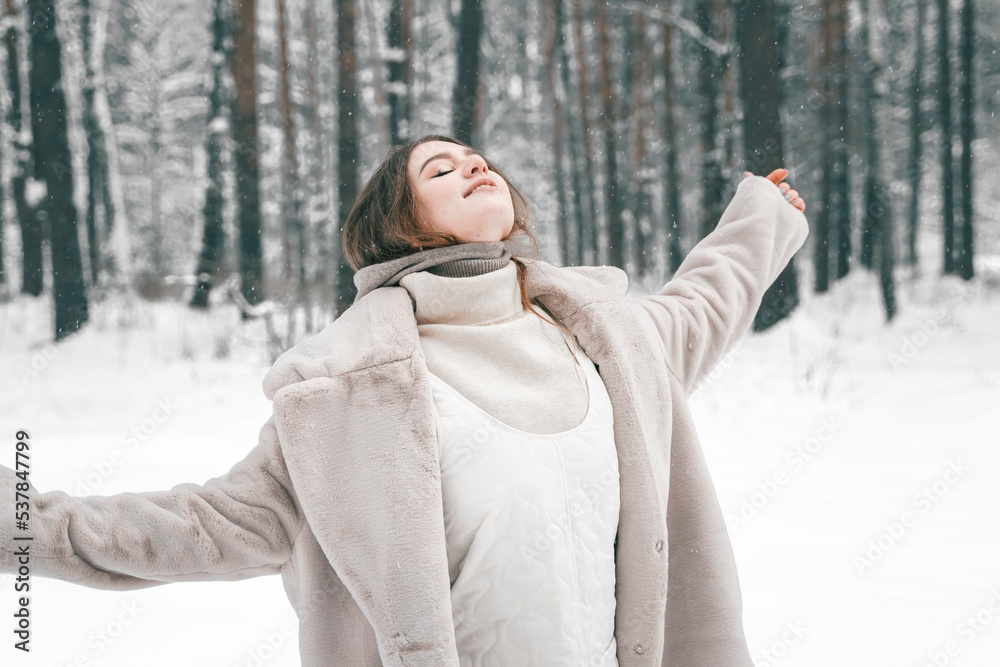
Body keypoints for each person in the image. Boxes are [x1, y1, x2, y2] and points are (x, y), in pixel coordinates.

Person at [2, 133, 809, 667]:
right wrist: (25, 526)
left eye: (476, 157)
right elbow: (208, 525)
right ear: (405, 228)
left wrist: (763, 216)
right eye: (441, 168)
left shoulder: (607, 341)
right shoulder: (347, 397)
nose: (474, 165)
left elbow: (706, 301)